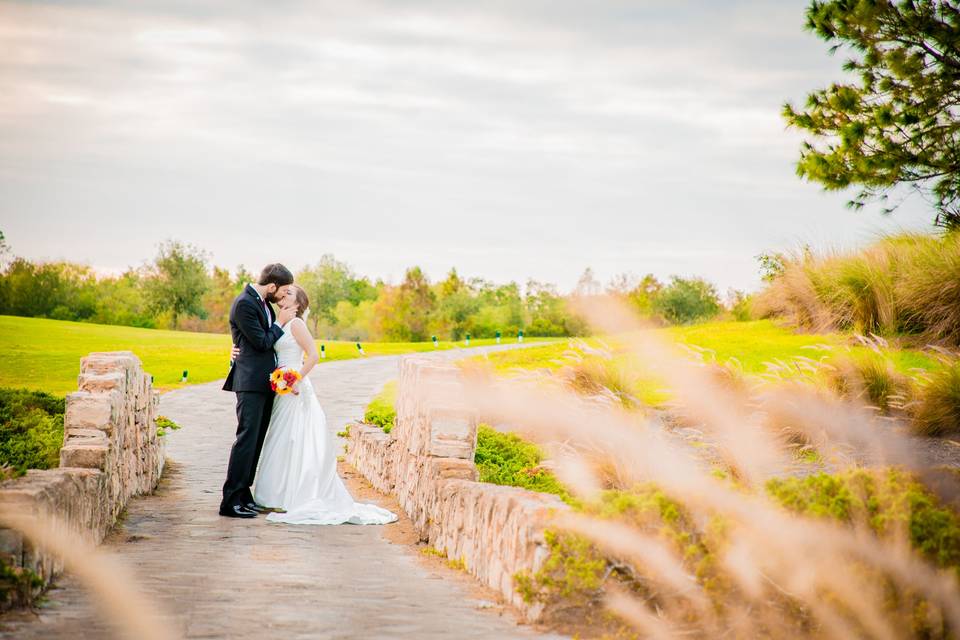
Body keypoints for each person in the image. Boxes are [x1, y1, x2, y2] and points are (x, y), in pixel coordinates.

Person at [254, 284, 397, 525]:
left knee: (295, 437)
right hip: (281, 387)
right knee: (281, 437)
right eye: (283, 292)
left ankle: (294, 495)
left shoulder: (297, 324)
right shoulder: (280, 322)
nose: (283, 295)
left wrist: (295, 378)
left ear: (298, 304)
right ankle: (276, 492)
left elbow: (313, 355)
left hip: (295, 387)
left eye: (289, 293)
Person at [219, 263, 296, 518]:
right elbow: (262, 342)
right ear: (272, 286)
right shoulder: (244, 304)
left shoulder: (263, 304)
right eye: (283, 291)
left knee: (256, 441)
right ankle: (230, 500)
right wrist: (281, 322)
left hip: (264, 383)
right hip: (250, 383)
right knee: (246, 440)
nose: (283, 296)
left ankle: (244, 494)